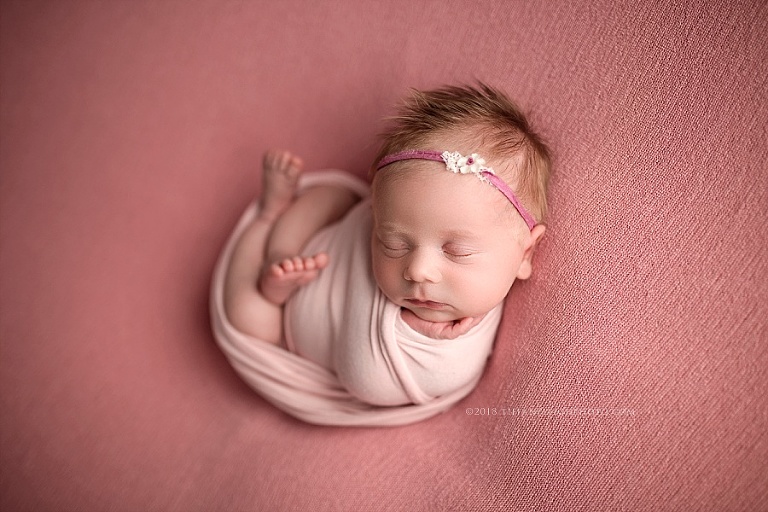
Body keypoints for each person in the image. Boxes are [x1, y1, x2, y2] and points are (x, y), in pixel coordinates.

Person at [218, 83, 551, 415]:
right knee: (332, 197)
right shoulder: (373, 219)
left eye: (456, 251)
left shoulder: (461, 354)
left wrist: (416, 333)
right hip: (311, 243)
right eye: (393, 243)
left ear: (525, 253)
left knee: (249, 317)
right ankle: (274, 230)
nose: (417, 269)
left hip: (284, 326)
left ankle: (269, 244)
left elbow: (365, 384)